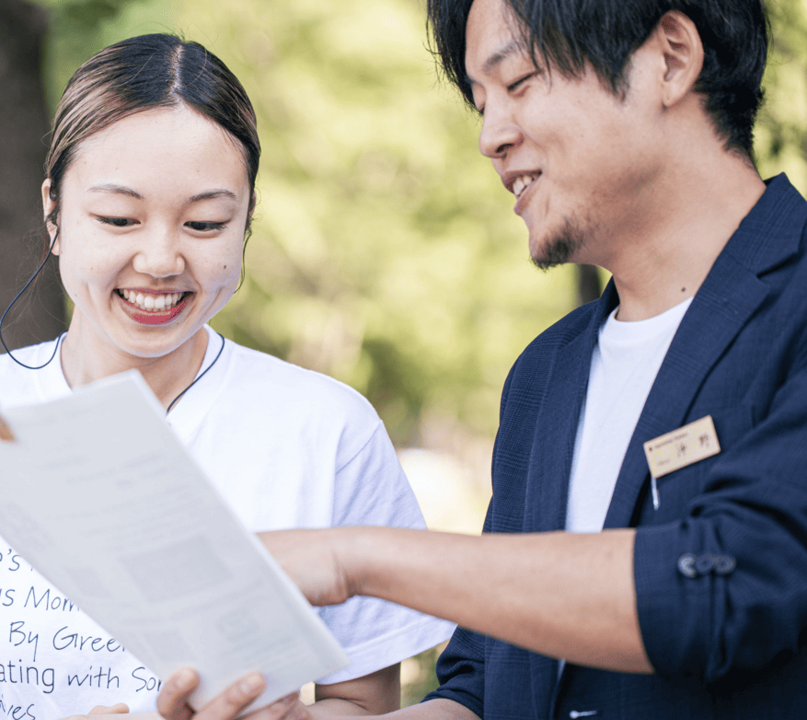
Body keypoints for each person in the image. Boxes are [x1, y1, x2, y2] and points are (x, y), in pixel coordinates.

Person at [155, 0, 807, 718]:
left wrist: (353, 559)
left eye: (520, 80)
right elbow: (484, 688)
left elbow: (733, 583)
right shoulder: (546, 375)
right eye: (480, 102)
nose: (491, 137)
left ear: (671, 57)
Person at [0, 33, 453, 720]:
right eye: (118, 218)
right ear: (53, 213)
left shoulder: (327, 430)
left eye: (204, 222)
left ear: (246, 222)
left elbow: (364, 703)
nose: (161, 259)